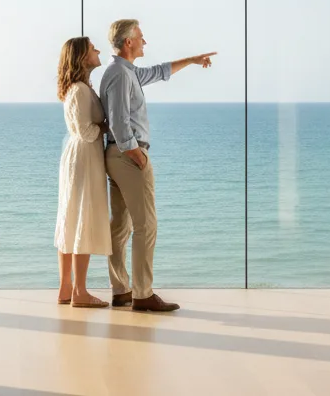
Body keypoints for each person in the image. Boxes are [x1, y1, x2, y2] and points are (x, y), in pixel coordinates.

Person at [99, 19, 215, 312]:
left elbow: (159, 72)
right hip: (128, 156)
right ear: (129, 42)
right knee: (146, 226)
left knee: (120, 226)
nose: (145, 41)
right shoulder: (121, 75)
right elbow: (119, 121)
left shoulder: (125, 71)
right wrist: (136, 154)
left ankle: (122, 290)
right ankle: (142, 294)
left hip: (118, 155)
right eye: (141, 37)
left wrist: (192, 60)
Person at [54, 37, 112, 308]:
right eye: (92, 48)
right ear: (81, 57)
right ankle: (79, 291)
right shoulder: (79, 90)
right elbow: (86, 132)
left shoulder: (80, 88)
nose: (98, 50)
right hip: (84, 158)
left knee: (72, 217)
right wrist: (107, 126)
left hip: (81, 157)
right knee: (81, 218)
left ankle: (66, 289)